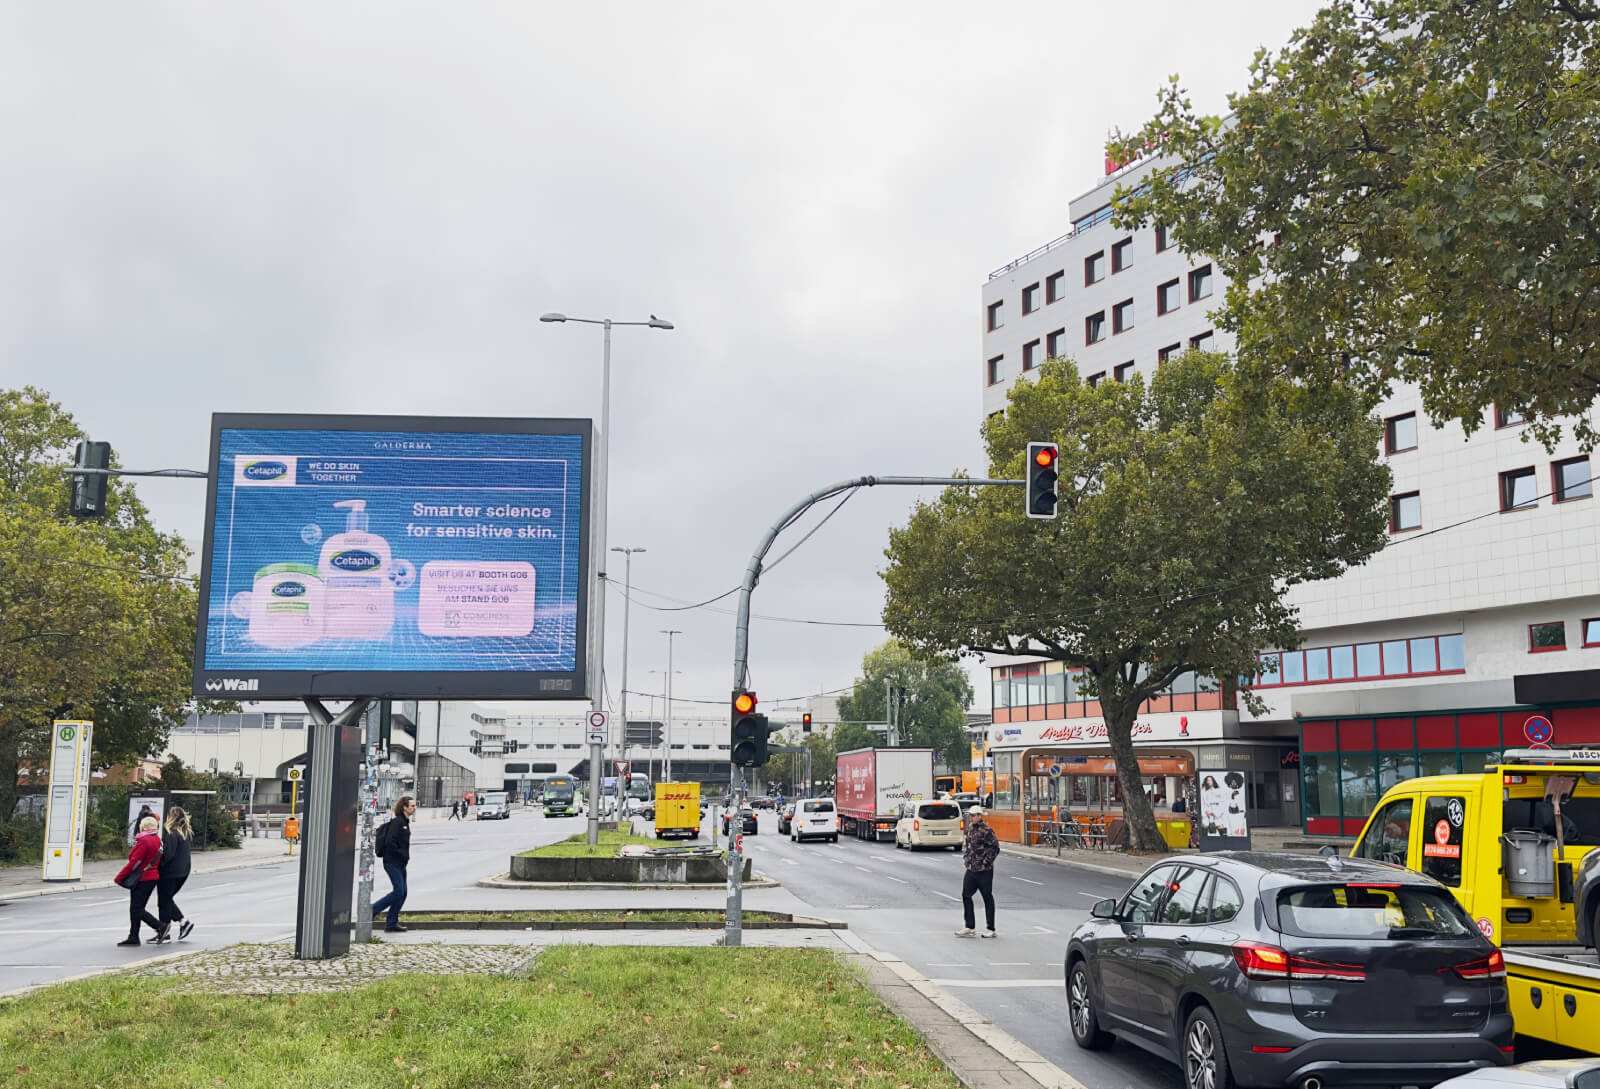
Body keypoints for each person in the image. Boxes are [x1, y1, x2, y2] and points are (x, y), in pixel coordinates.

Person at [115, 816, 163, 947]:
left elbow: (134, 862)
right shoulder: (157, 840)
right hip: (152, 877)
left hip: (142, 877)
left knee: (136, 909)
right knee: (136, 908)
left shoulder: (144, 841)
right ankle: (134, 936)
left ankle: (159, 926)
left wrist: (120, 877)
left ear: (143, 827)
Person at [371, 794, 415, 933]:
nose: (414, 808)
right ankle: (371, 910)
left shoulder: (405, 822)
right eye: (412, 806)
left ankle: (391, 923)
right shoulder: (398, 822)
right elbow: (390, 842)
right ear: (404, 807)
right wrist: (401, 854)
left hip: (400, 863)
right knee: (398, 892)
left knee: (403, 892)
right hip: (392, 862)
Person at [955, 806, 999, 939]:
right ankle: (969, 926)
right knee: (966, 895)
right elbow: (968, 847)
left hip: (984, 871)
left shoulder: (987, 830)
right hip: (971, 869)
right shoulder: (970, 829)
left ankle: (991, 928)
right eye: (970, 815)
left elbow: (995, 848)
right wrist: (967, 860)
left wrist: (986, 863)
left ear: (980, 816)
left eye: (974, 815)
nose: (972, 817)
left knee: (987, 897)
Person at [153, 806, 195, 943]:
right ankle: (168, 927)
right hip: (183, 871)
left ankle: (169, 927)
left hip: (169, 872)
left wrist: (158, 864)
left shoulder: (171, 833)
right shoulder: (185, 832)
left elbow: (168, 855)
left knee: (164, 900)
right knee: (167, 899)